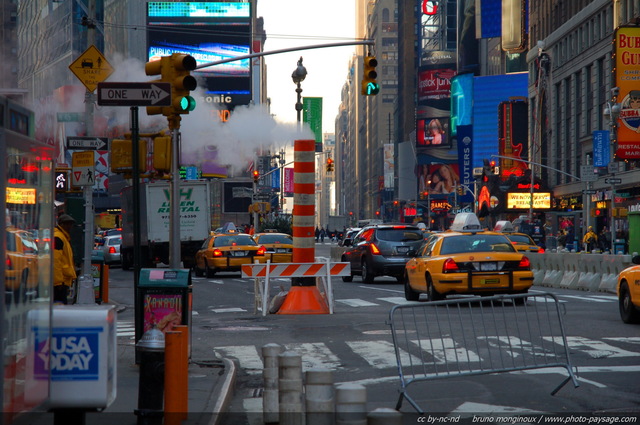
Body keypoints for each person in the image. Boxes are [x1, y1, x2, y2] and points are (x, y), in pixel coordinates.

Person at [53, 214, 77, 304]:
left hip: (63, 280)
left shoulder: (63, 237)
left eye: (71, 224)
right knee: (59, 304)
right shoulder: (58, 237)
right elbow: (55, 261)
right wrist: (58, 282)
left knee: (60, 304)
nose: (70, 226)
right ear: (62, 224)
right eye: (68, 224)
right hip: (60, 281)